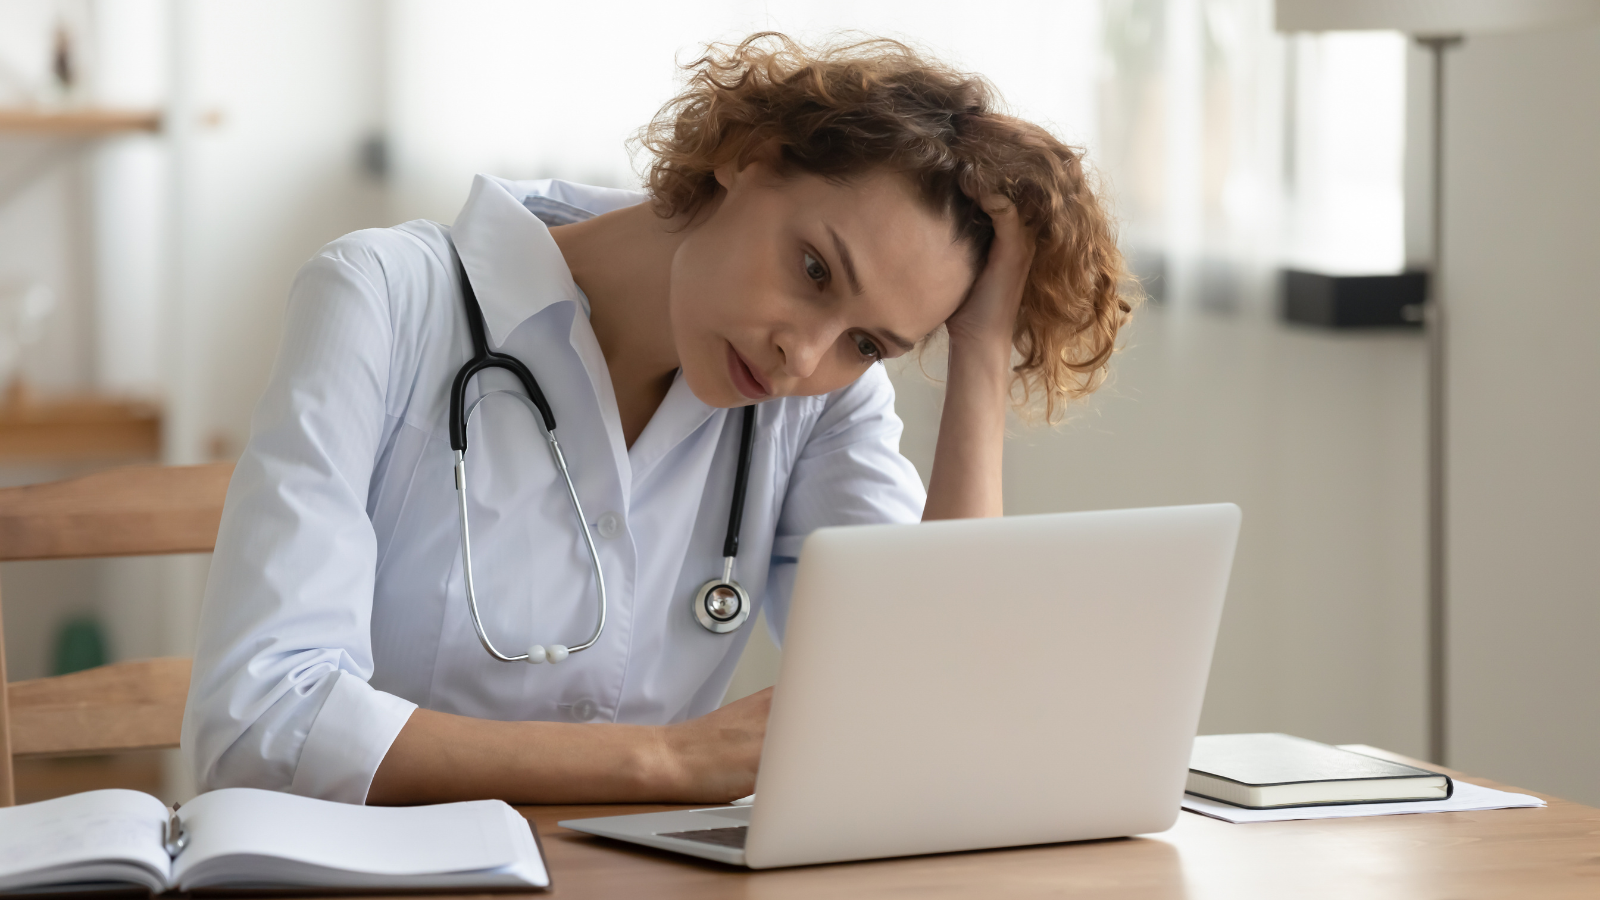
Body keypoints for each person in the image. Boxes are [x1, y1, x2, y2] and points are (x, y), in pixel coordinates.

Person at [181, 33, 1133, 806]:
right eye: (813, 270)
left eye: (870, 342)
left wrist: (977, 353)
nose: (806, 354)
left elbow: (939, 709)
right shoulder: (386, 301)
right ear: (742, 158)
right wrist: (667, 763)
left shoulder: (820, 401)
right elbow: (259, 724)